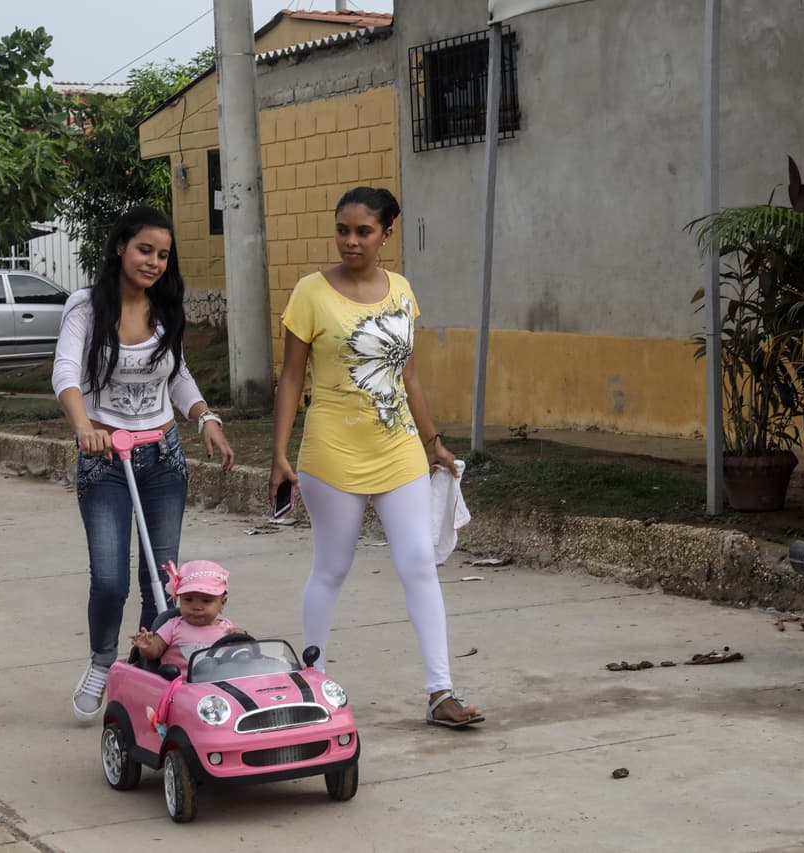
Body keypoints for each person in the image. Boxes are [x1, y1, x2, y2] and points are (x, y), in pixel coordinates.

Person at [268, 186, 485, 728]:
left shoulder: (402, 292)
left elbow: (407, 374)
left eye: (363, 231)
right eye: (343, 229)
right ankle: (311, 688)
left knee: (418, 565)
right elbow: (293, 377)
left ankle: (441, 692)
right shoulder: (311, 293)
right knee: (332, 567)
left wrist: (432, 443)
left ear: (388, 233)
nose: (350, 241)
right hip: (332, 451)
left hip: (398, 450)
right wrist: (278, 453)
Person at [52, 205, 235, 723]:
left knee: (161, 578)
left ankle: (146, 664)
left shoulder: (165, 309)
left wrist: (205, 419)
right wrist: (84, 426)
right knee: (109, 578)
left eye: (162, 254)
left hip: (162, 457)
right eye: (144, 250)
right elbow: (64, 371)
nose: (153, 262)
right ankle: (102, 660)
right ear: (120, 248)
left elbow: (177, 377)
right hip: (104, 457)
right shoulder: (86, 307)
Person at [129, 560, 242, 676]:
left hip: (217, 688)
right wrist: (148, 646)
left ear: (222, 604)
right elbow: (155, 650)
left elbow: (242, 657)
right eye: (188, 600)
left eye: (206, 601)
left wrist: (242, 639)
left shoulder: (227, 629)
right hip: (179, 688)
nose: (197, 607)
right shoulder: (173, 626)